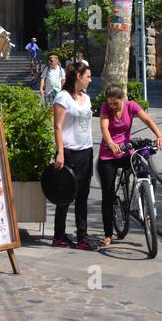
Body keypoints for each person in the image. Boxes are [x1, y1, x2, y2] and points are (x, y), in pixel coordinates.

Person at [96, 84, 162, 246]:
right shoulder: (105, 108)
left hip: (127, 152)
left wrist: (159, 135)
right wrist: (111, 142)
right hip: (108, 154)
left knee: (147, 174)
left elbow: (147, 119)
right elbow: (104, 127)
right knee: (107, 194)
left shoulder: (131, 106)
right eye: (110, 103)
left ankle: (146, 204)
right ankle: (108, 233)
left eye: (115, 104)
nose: (112, 106)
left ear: (123, 99)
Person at [51, 59, 96, 249]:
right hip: (69, 152)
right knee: (66, 195)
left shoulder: (86, 97)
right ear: (78, 76)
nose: (90, 80)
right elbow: (57, 126)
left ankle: (82, 236)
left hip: (86, 151)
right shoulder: (63, 97)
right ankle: (59, 236)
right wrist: (60, 153)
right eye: (88, 76)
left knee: (83, 196)